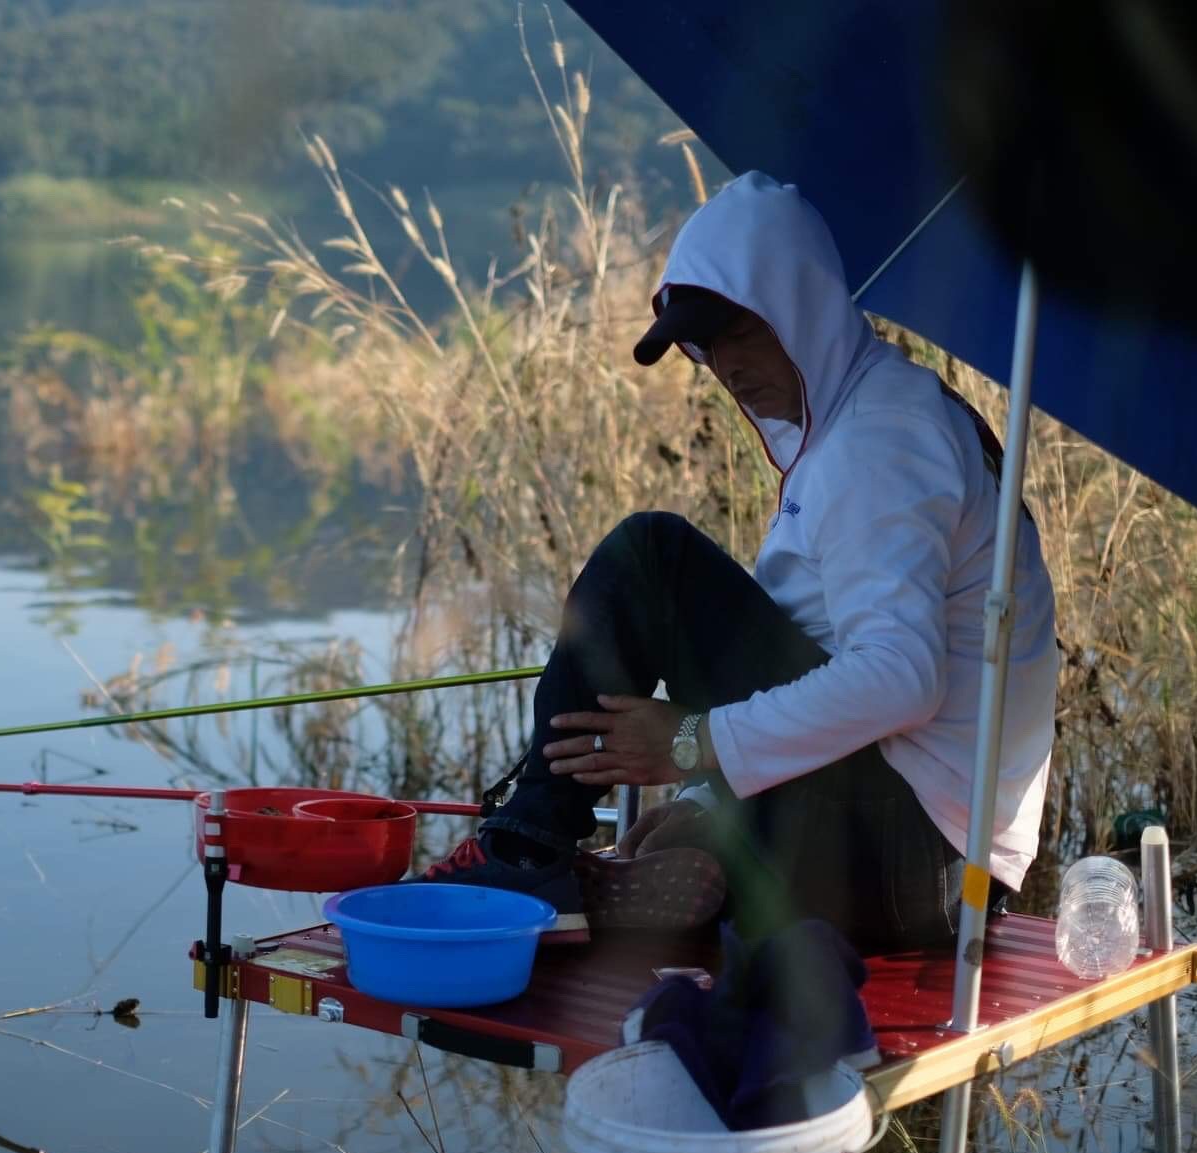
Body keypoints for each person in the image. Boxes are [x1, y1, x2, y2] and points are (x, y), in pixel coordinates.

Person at [417, 172, 1059, 951]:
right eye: (704, 345)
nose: (725, 364)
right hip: (929, 866)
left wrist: (692, 741)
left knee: (651, 560)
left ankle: (529, 848)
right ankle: (700, 851)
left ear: (804, 310)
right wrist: (707, 778)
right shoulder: (866, 421)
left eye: (741, 332)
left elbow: (901, 676)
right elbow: (815, 651)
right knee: (686, 826)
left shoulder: (879, 440)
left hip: (919, 866)